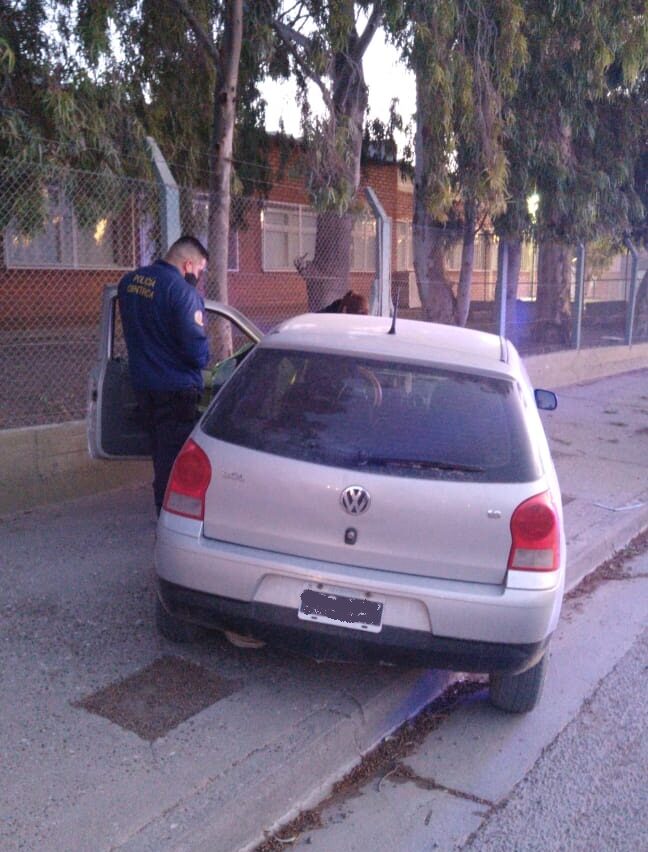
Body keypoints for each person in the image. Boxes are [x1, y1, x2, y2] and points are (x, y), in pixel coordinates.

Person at [118, 235, 210, 515]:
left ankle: (164, 510)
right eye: (200, 271)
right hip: (177, 391)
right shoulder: (183, 293)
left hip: (143, 386)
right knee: (173, 461)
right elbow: (197, 354)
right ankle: (168, 518)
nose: (198, 277)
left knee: (159, 452)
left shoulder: (129, 283)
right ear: (188, 264)